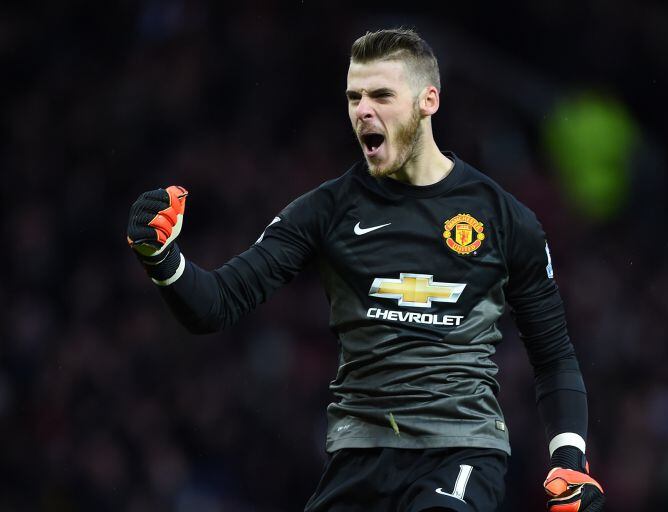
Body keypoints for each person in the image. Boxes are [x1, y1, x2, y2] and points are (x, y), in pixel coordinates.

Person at [126, 28, 605, 512]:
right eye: (354, 97)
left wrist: (569, 458)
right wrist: (163, 259)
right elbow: (217, 304)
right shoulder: (326, 210)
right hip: (357, 456)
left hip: (461, 451)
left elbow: (553, 354)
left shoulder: (505, 220)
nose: (363, 111)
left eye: (381, 95)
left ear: (428, 101)